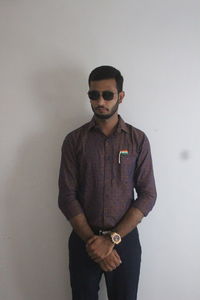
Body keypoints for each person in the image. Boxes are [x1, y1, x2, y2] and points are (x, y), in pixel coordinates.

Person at [58, 65, 157, 300]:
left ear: (120, 96)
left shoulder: (138, 140)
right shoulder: (74, 141)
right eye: (94, 95)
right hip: (85, 241)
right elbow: (67, 196)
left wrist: (111, 240)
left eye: (107, 95)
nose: (100, 101)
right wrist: (95, 243)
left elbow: (147, 194)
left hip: (125, 240)